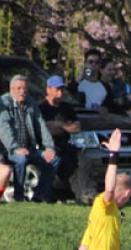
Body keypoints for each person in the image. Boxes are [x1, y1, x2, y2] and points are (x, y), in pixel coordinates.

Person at [0, 74, 59, 202]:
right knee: (20, 159)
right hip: (8, 149)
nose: (22, 92)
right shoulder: (3, 103)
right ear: (11, 90)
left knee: (54, 160)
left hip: (29, 148)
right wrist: (15, 147)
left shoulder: (31, 103)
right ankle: (19, 196)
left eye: (24, 89)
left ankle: (40, 196)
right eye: (19, 88)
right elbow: (3, 129)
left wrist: (49, 147)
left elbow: (41, 125)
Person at [38, 75, 95, 204]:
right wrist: (64, 125)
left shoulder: (67, 108)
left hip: (66, 143)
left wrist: (58, 125)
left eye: (62, 90)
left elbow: (76, 127)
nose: (60, 93)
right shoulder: (41, 108)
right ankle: (57, 195)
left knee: (84, 161)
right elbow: (46, 129)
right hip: (48, 145)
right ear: (48, 90)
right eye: (57, 90)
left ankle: (88, 193)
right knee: (63, 164)